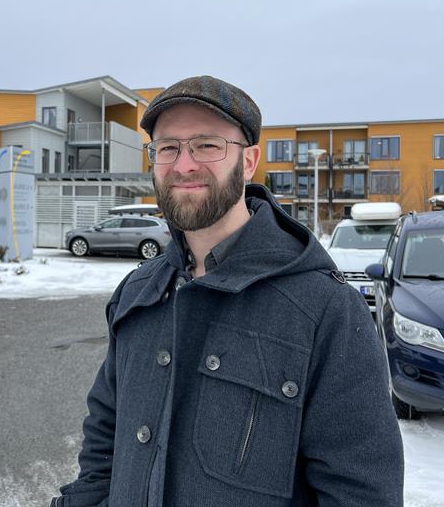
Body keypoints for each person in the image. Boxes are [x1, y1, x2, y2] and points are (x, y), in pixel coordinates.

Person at [51, 75, 404, 507]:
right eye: (168, 147)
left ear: (249, 160)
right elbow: (104, 444)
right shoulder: (138, 293)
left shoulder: (325, 310)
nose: (184, 165)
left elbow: (361, 493)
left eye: (207, 145)